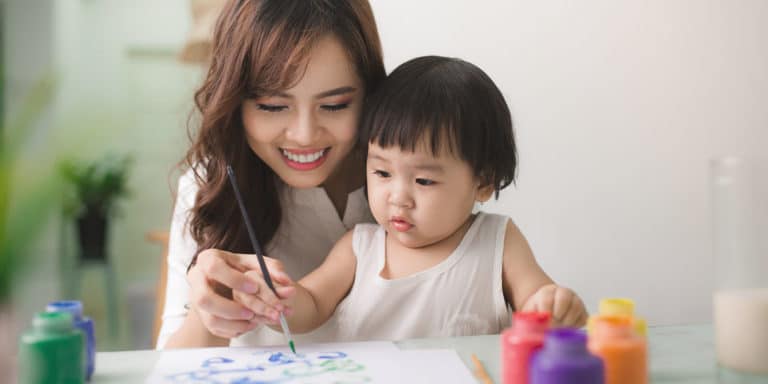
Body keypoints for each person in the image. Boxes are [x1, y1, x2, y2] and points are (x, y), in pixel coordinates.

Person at [237, 56, 589, 341]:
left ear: (483, 182)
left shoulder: (497, 242)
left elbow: (537, 300)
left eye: (423, 180)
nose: (398, 198)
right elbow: (311, 305)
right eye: (382, 173)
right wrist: (279, 299)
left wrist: (553, 306)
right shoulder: (359, 248)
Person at [157, 0, 386, 349]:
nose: (305, 135)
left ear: (369, 94)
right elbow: (171, 366)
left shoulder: (413, 174)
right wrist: (209, 312)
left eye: (335, 105)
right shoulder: (210, 184)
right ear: (234, 103)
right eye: (273, 107)